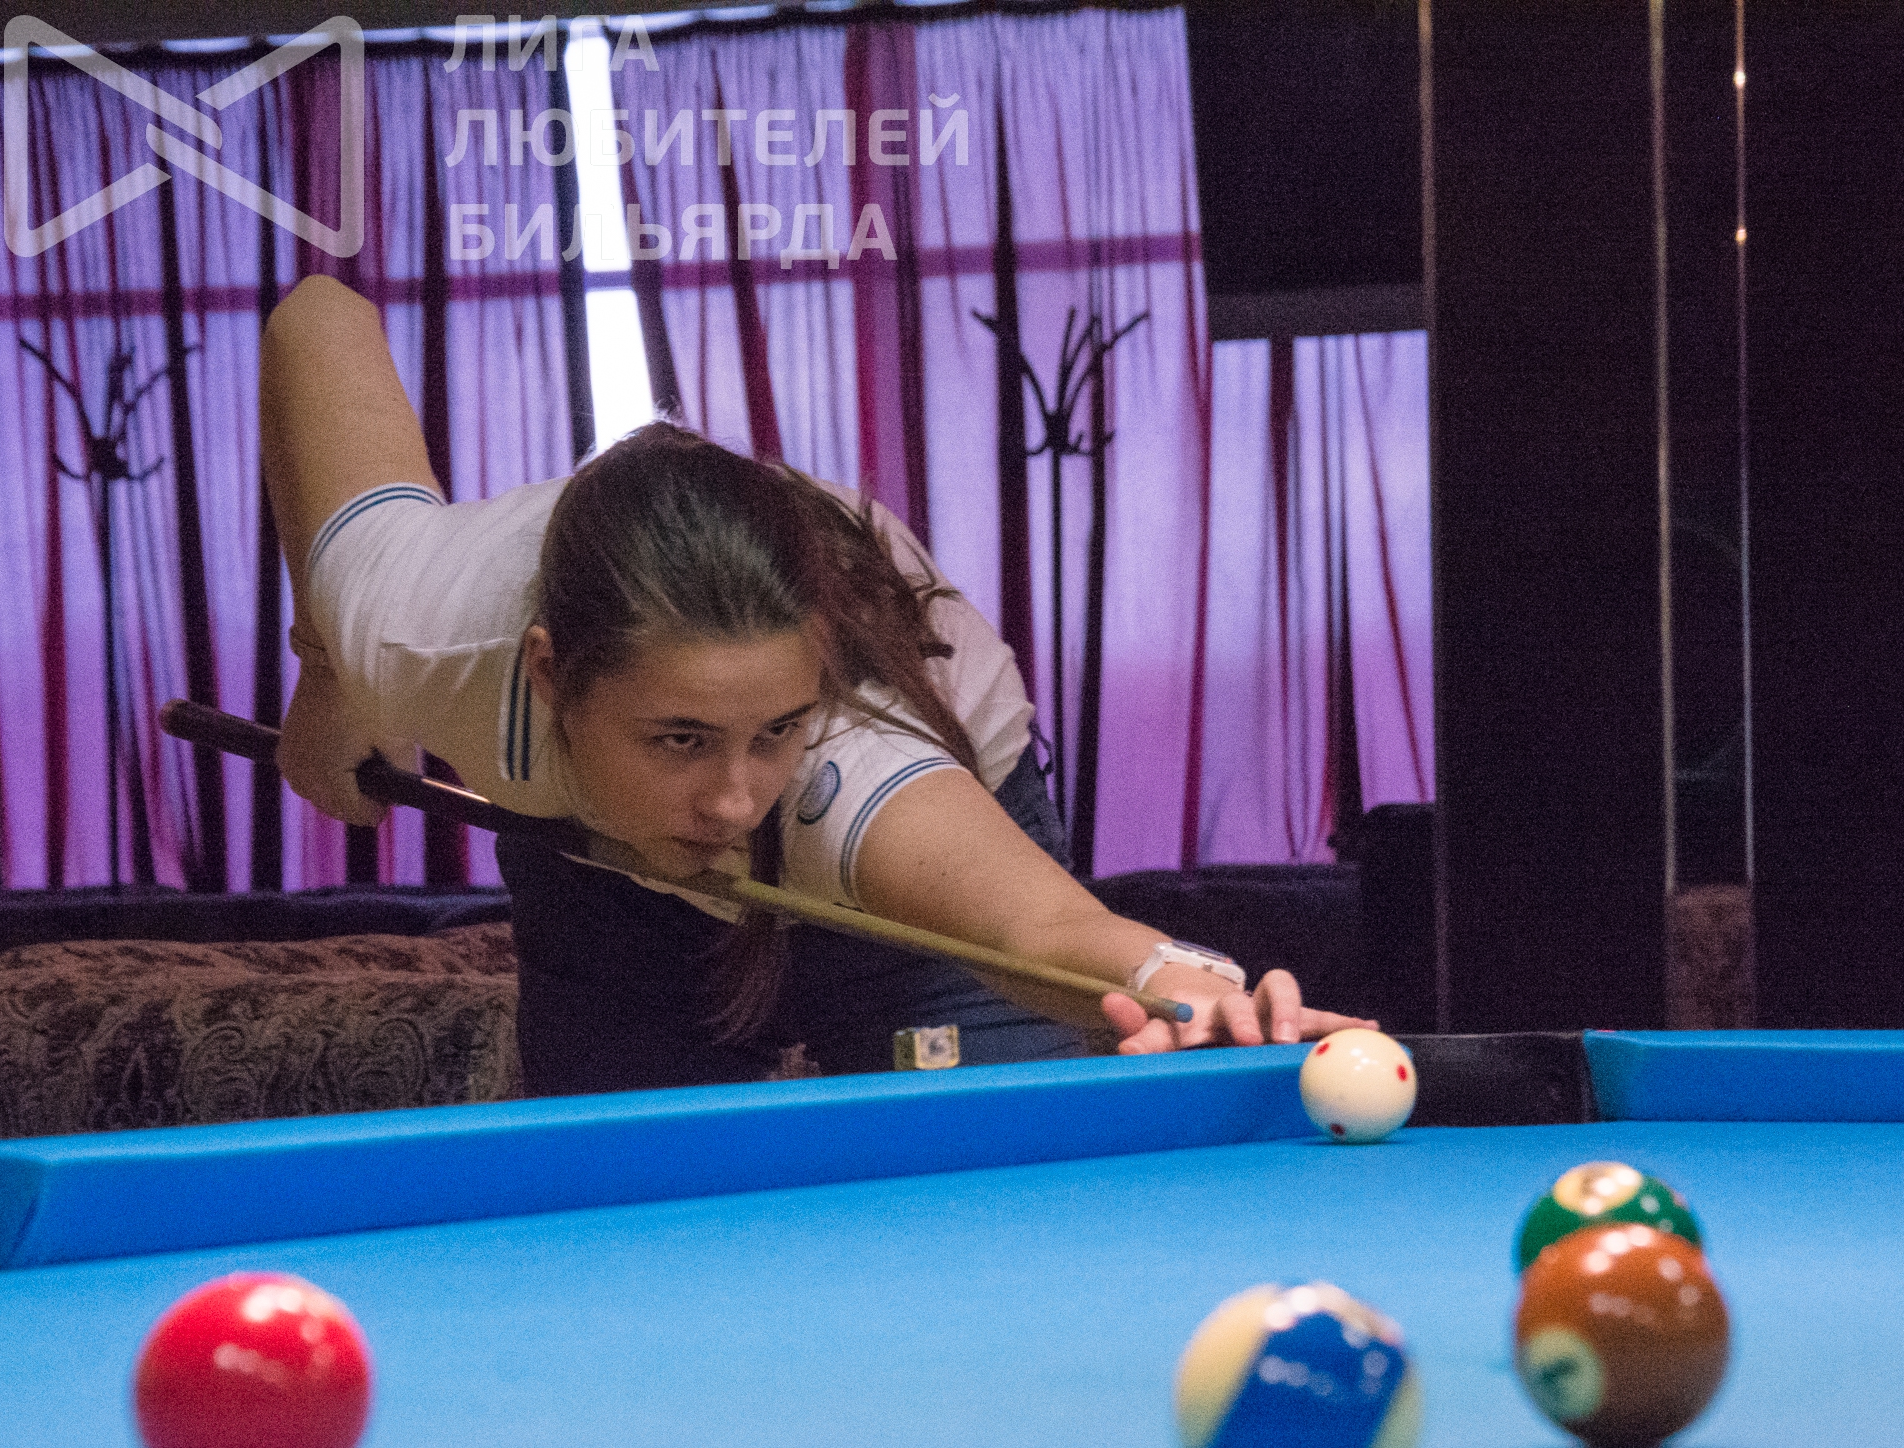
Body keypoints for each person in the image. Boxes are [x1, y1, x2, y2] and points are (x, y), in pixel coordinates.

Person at [260, 275, 1362, 1093]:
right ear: (550, 676)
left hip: (915, 846)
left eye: (772, 730)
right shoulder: (423, 633)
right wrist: (332, 673)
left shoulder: (843, 765)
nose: (736, 798)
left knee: (981, 1198)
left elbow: (1041, 929)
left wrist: (1184, 980)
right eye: (679, 738)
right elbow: (318, 315)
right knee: (637, 1219)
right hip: (606, 876)